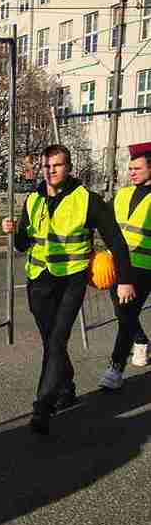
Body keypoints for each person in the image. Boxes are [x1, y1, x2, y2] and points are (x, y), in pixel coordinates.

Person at [2, 143, 135, 435]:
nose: (50, 171)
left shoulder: (87, 200)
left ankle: (43, 406)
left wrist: (125, 279)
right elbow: (24, 244)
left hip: (70, 281)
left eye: (57, 166)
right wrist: (14, 231)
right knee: (51, 340)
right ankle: (67, 384)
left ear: (69, 167)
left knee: (57, 339)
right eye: (46, 166)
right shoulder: (33, 199)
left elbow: (116, 241)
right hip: (38, 280)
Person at [99, 150, 151, 389]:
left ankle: (116, 369)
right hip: (117, 265)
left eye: (137, 168)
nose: (132, 172)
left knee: (127, 316)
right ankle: (141, 341)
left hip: (144, 268)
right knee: (123, 314)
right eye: (130, 168)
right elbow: (101, 217)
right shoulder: (122, 194)